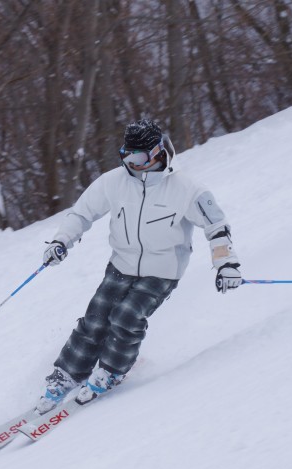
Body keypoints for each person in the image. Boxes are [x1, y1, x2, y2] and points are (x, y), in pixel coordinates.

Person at [36, 119, 241, 414]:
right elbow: (81, 213)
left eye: (140, 158)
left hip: (162, 271)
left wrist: (226, 264)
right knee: (95, 319)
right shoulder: (113, 181)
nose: (133, 165)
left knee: (126, 317)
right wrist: (61, 241)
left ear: (158, 152)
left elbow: (217, 227)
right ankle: (67, 374)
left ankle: (111, 371)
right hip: (121, 264)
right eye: (127, 157)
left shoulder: (187, 189)